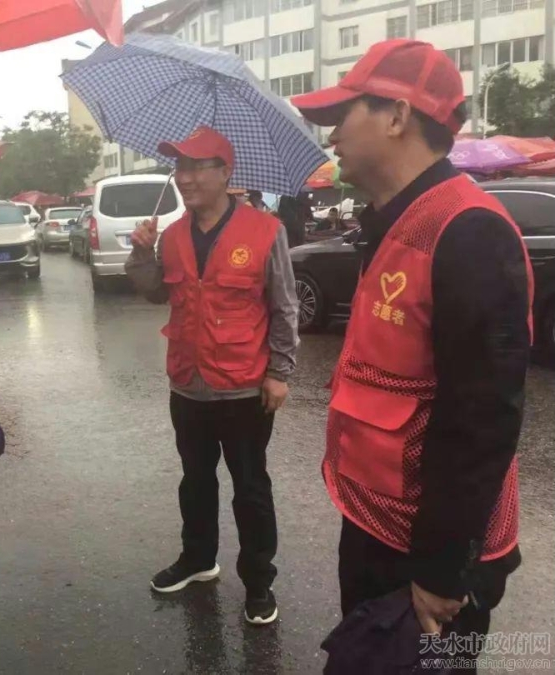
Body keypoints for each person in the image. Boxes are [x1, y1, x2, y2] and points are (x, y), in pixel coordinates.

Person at [291, 39, 532, 671]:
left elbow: (483, 418)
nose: (332, 135)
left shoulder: (468, 230)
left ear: (397, 116)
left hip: (429, 556)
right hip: (376, 525)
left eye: (343, 115)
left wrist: (442, 568)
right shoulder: (392, 219)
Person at [125, 126, 299, 626]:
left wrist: (279, 372)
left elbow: (284, 306)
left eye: (197, 166)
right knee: (195, 480)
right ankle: (198, 559)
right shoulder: (173, 235)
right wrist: (142, 252)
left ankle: (259, 582)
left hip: (244, 386)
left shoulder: (265, 230)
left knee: (250, 487)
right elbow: (156, 292)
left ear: (225, 173)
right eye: (180, 167)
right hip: (188, 383)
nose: (185, 177)